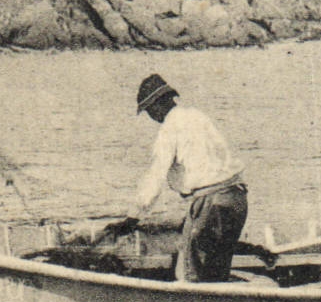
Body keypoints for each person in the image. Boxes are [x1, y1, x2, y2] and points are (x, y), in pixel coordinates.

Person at [105, 74, 248, 283]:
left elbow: (155, 176)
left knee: (190, 274)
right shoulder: (198, 116)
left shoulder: (169, 129)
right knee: (218, 270)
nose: (151, 116)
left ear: (157, 105)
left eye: (149, 110)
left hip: (210, 201)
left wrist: (133, 217)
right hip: (237, 198)